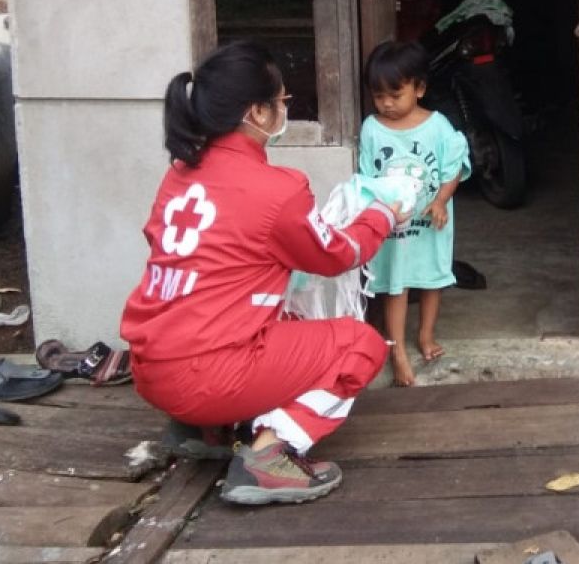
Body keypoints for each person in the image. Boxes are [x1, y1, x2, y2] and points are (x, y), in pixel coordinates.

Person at [121, 40, 405, 506]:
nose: (282, 109)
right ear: (256, 111)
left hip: (151, 367)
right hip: (207, 375)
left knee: (281, 322)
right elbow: (337, 254)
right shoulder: (278, 190)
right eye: (281, 101)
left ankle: (203, 431)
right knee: (360, 344)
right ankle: (268, 456)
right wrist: (383, 216)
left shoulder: (179, 174)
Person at [360, 41, 470, 387]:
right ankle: (397, 352)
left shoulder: (438, 127)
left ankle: (425, 335)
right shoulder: (372, 129)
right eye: (379, 96)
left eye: (395, 94)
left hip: (430, 222)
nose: (387, 104)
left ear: (419, 88)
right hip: (392, 227)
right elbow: (367, 178)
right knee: (396, 283)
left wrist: (440, 201)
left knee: (432, 277)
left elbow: (453, 167)